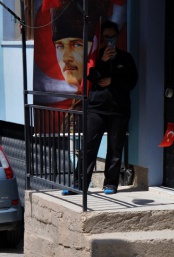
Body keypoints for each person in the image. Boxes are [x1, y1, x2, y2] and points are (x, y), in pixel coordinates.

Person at [63, 20, 138, 195]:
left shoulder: (126, 58)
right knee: (88, 147)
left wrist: (113, 81)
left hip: (119, 109)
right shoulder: (94, 57)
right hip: (97, 108)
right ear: (101, 38)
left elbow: (132, 81)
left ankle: (110, 184)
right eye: (106, 37)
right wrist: (103, 61)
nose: (110, 40)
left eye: (113, 36)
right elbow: (90, 78)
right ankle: (79, 184)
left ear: (117, 37)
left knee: (115, 148)